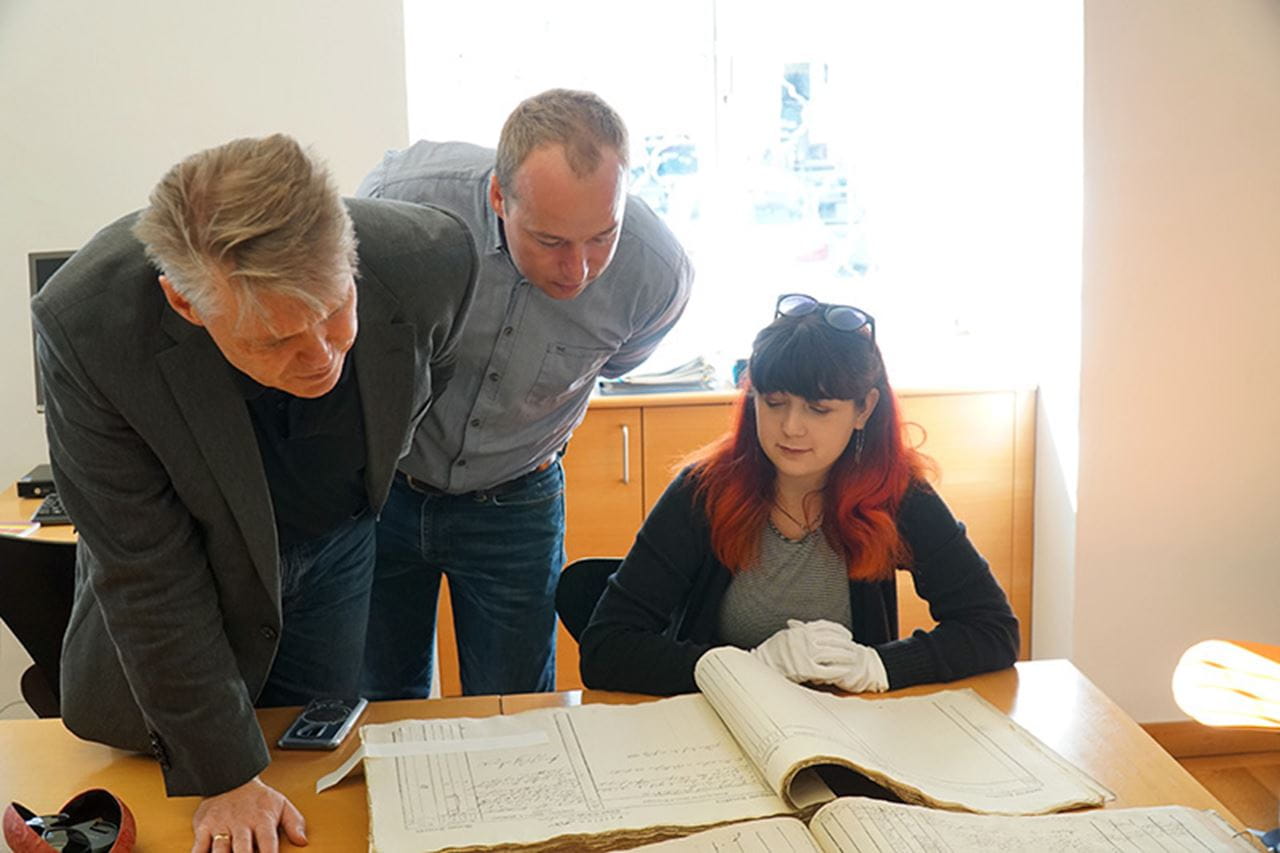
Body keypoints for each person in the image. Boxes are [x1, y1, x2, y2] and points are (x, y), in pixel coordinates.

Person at [33, 134, 477, 852]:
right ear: (186, 302)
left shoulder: (432, 258)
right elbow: (145, 567)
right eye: (275, 340)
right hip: (193, 562)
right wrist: (226, 774)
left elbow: (433, 371)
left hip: (336, 544)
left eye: (335, 310)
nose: (322, 355)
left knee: (313, 769)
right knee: (218, 791)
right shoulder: (90, 326)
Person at [355, 88, 693, 697]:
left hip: (517, 505)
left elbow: (619, 361)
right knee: (381, 703)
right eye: (550, 241)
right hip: (387, 491)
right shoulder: (403, 204)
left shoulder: (656, 271)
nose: (579, 270)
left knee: (516, 714)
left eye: (600, 237)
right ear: (497, 197)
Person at [579, 294, 1019, 695]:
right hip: (725, 728)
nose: (791, 427)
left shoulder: (898, 494)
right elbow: (606, 648)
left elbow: (993, 629)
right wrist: (743, 668)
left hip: (851, 730)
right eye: (773, 402)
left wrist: (881, 664)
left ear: (863, 409)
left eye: (818, 409)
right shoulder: (704, 492)